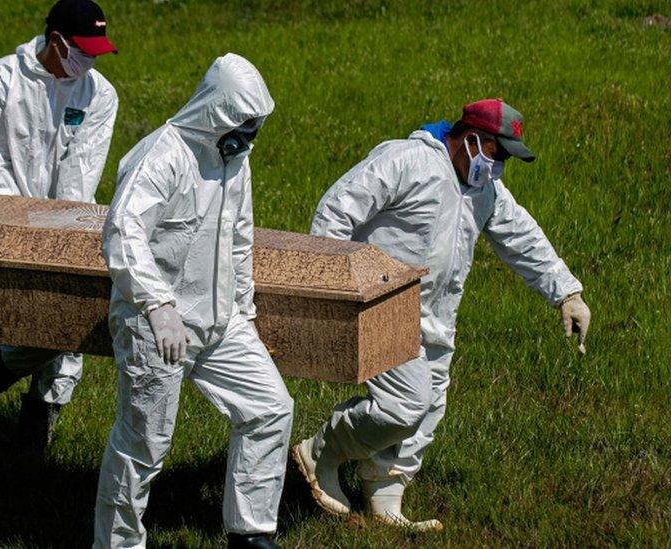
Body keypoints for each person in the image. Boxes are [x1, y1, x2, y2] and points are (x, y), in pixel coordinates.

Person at [293, 99, 592, 531]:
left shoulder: (482, 188)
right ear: (472, 139)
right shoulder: (408, 160)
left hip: (436, 315)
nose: (501, 164)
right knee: (404, 406)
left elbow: (520, 236)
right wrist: (332, 286)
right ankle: (322, 451)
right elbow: (338, 208)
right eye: (498, 152)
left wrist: (566, 293)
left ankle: (384, 497)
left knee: (429, 409)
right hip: (379, 304)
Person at [94, 53, 294, 549]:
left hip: (221, 322)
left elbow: (239, 238)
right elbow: (123, 231)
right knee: (144, 444)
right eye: (243, 127)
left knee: (270, 407)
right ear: (217, 113)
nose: (249, 139)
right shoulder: (161, 156)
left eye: (256, 129)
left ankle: (251, 533)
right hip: (155, 324)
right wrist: (158, 305)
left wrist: (244, 310)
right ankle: (117, 544)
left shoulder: (235, 161)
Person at [0, 0, 118, 451]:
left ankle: (39, 416)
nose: (90, 62)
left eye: (97, 53)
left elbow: (80, 174)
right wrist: (19, 233)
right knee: (23, 321)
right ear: (57, 40)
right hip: (12, 224)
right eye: (83, 51)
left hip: (69, 223)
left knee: (69, 323)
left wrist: (62, 241)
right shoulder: (1, 79)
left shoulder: (98, 94)